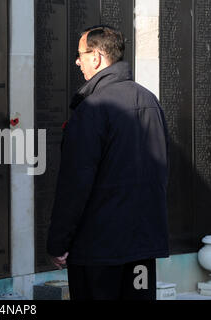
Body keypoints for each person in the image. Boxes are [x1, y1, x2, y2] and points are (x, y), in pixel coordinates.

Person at [46, 25, 170, 300]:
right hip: (142, 247)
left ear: (97, 57)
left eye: (81, 54)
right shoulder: (150, 101)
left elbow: (75, 183)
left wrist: (58, 243)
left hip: (98, 250)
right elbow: (160, 172)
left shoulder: (91, 109)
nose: (77, 61)